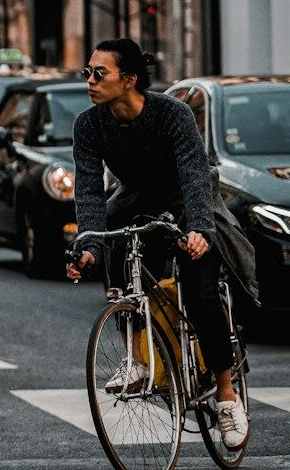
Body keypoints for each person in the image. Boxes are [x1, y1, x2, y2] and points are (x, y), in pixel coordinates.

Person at [65, 37, 247, 449]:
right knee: (111, 238)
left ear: (129, 79)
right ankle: (136, 360)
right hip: (139, 203)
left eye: (100, 73)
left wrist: (199, 229)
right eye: (87, 73)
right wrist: (88, 246)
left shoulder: (173, 114)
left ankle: (225, 394)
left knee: (201, 297)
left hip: (188, 205)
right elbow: (90, 192)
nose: (90, 81)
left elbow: (195, 175)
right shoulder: (89, 125)